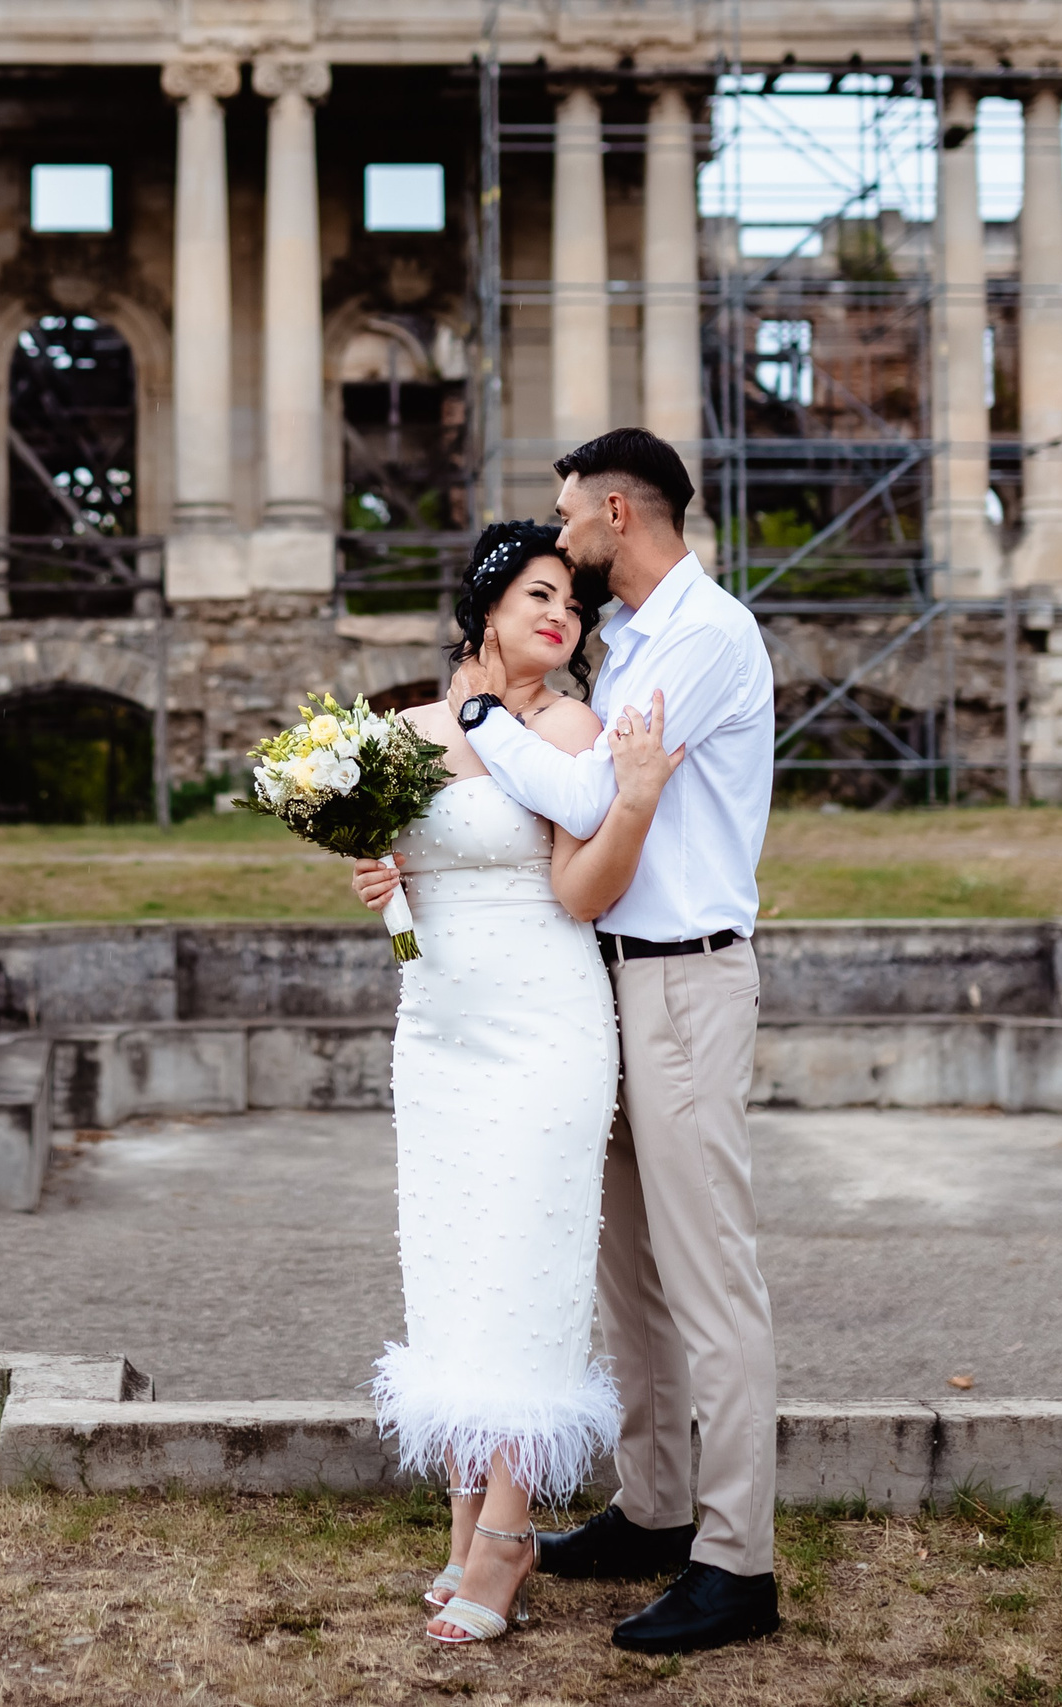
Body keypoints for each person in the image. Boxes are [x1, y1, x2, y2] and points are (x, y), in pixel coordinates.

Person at [446, 428, 782, 1656]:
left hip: (687, 983)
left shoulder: (703, 636)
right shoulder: (630, 642)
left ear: (620, 513)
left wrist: (482, 718)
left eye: (570, 513)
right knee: (629, 1273)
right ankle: (652, 1507)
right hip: (607, 984)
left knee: (709, 1281)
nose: (562, 532)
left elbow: (590, 799)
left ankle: (737, 1561)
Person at [348, 520, 686, 1646]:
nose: (563, 616)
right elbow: (407, 923)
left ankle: (508, 1536)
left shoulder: (565, 724)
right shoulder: (396, 736)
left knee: (527, 1277)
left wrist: (630, 797)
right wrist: (384, 893)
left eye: (577, 605)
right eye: (540, 595)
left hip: (545, 1027)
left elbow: (582, 894)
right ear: (485, 608)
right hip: (436, 1030)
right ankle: (461, 1522)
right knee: (448, 1274)